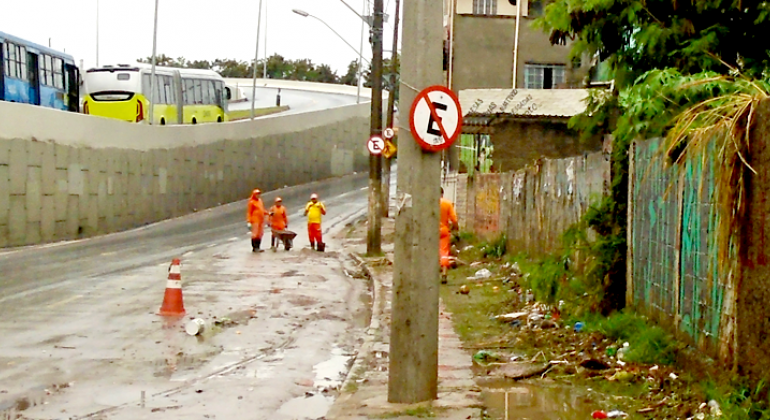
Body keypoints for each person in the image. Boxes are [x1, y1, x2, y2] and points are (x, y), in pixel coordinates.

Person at [440, 187, 458, 284]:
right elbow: (454, 219)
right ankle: (444, 274)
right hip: (444, 231)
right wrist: (456, 229)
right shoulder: (447, 203)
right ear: (442, 194)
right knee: (444, 253)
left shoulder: (429, 204)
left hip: (431, 231)